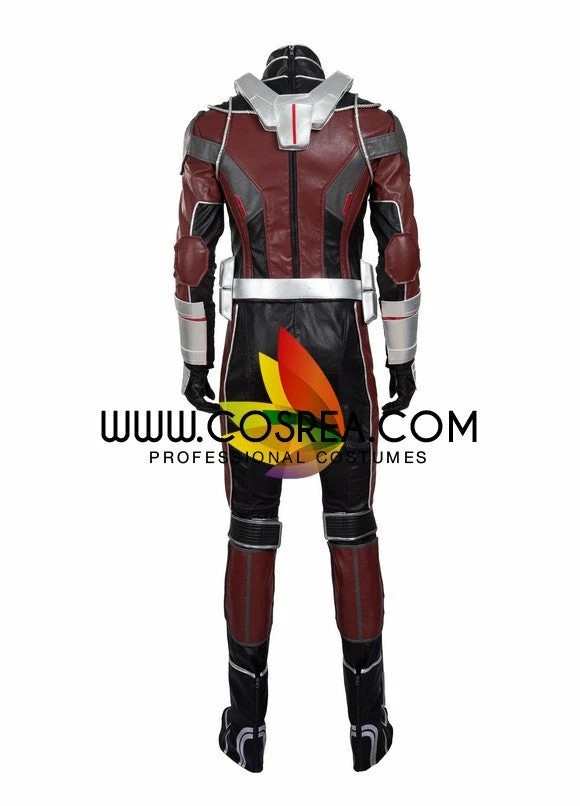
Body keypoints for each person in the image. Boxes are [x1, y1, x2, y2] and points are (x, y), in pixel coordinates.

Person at [173, 44, 421, 772]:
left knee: (251, 527)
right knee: (353, 524)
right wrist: (402, 356)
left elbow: (193, 258)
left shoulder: (215, 129)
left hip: (255, 343)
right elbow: (399, 253)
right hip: (341, 344)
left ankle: (246, 728)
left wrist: (194, 356)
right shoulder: (373, 126)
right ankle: (368, 725)